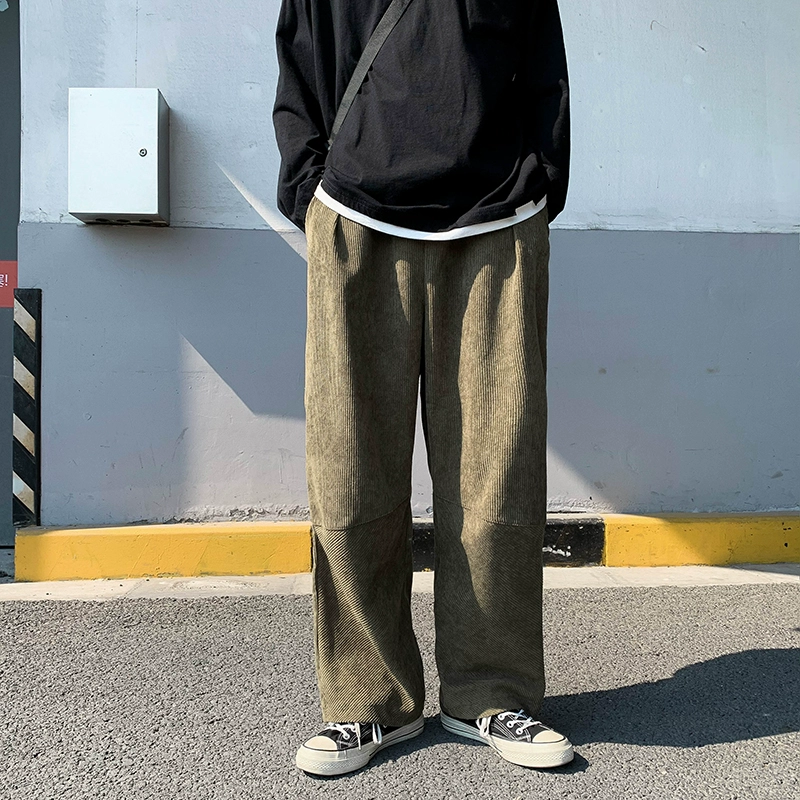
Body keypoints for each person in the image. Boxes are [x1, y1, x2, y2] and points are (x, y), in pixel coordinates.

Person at [273, 0, 571, 776]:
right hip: (356, 218)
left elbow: (545, 74)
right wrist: (312, 193)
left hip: (495, 222)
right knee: (350, 470)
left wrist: (540, 190)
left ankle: (491, 692)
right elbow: (299, 68)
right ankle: (367, 701)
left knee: (496, 474)